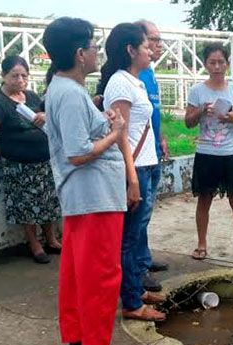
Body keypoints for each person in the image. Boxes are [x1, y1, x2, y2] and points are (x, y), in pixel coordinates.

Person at [42, 17, 138, 345]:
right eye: (94, 45)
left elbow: (79, 135)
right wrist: (115, 132)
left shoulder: (65, 88)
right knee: (100, 275)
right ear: (80, 53)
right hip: (94, 196)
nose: (99, 51)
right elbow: (78, 153)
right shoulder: (68, 93)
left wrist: (102, 118)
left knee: (77, 272)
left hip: (86, 197)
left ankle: (79, 338)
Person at [97, 22, 166, 322]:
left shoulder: (136, 80)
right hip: (134, 168)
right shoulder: (120, 83)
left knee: (136, 235)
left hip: (146, 165)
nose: (150, 49)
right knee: (128, 238)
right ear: (130, 50)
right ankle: (131, 303)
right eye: (145, 45)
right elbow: (120, 134)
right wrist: (132, 178)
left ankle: (136, 290)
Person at [0, 56, 61, 264]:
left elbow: (46, 115)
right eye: (15, 76)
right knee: (26, 207)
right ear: (4, 76)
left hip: (43, 161)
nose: (20, 80)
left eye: (24, 75)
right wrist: (0, 151)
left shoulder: (30, 96)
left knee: (48, 202)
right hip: (20, 165)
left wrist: (44, 115)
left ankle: (51, 238)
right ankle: (34, 244)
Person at [184, 43, 233, 263]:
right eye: (212, 62)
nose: (217, 67)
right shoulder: (197, 91)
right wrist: (200, 111)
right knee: (204, 199)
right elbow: (188, 122)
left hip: (231, 153)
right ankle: (201, 244)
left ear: (227, 64)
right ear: (205, 64)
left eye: (221, 62)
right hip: (206, 153)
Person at [135, 20, 169, 291]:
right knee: (139, 215)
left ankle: (143, 259)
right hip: (140, 159)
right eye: (153, 40)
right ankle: (137, 270)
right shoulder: (132, 77)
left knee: (146, 213)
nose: (158, 45)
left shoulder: (149, 73)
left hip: (153, 151)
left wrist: (160, 137)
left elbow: (150, 115)